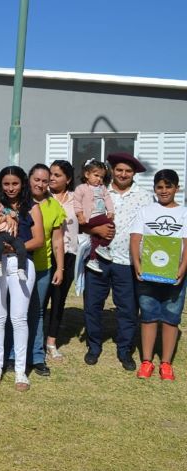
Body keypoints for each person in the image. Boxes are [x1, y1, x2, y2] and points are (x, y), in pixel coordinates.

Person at [83, 152, 151, 371]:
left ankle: (125, 350)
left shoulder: (144, 196)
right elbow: (80, 219)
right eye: (119, 170)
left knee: (127, 309)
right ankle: (94, 347)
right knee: (93, 305)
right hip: (98, 258)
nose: (123, 174)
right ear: (112, 170)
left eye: (128, 171)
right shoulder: (97, 191)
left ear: (134, 174)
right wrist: (94, 228)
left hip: (127, 261)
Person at [0, 166, 43, 391]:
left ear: (22, 183)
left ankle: (20, 372)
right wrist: (3, 218)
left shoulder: (32, 207)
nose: (11, 188)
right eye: (6, 184)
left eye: (15, 183)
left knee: (19, 317)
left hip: (21, 262)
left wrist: (15, 248)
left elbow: (39, 239)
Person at [3, 164, 64, 378]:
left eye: (45, 180)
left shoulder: (53, 206)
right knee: (15, 311)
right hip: (18, 264)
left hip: (42, 267)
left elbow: (57, 240)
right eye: (36, 179)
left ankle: (37, 357)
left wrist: (60, 267)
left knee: (36, 311)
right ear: (29, 179)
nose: (40, 184)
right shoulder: (18, 204)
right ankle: (11, 355)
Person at [130, 169, 187, 381]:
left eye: (168, 186)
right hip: (148, 272)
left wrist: (182, 268)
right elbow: (135, 239)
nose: (164, 191)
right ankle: (146, 361)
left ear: (176, 188)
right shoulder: (146, 211)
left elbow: (185, 243)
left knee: (171, 317)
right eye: (159, 187)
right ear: (154, 189)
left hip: (175, 274)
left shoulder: (184, 213)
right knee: (148, 315)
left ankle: (166, 363)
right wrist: (137, 264)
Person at [45, 160, 78, 360]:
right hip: (46, 254)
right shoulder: (43, 198)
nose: (52, 178)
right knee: (40, 299)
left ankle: (51, 341)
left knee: (59, 299)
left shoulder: (77, 198)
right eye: (51, 174)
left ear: (68, 179)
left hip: (69, 254)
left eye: (57, 175)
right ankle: (35, 339)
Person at [74, 159, 115, 272]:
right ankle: (103, 247)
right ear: (87, 174)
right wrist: (80, 215)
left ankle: (92, 259)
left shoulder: (102, 188)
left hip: (99, 216)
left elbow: (108, 200)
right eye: (96, 175)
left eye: (101, 177)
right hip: (89, 217)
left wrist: (110, 211)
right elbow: (77, 203)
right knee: (111, 225)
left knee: (95, 238)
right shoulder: (81, 188)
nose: (99, 179)